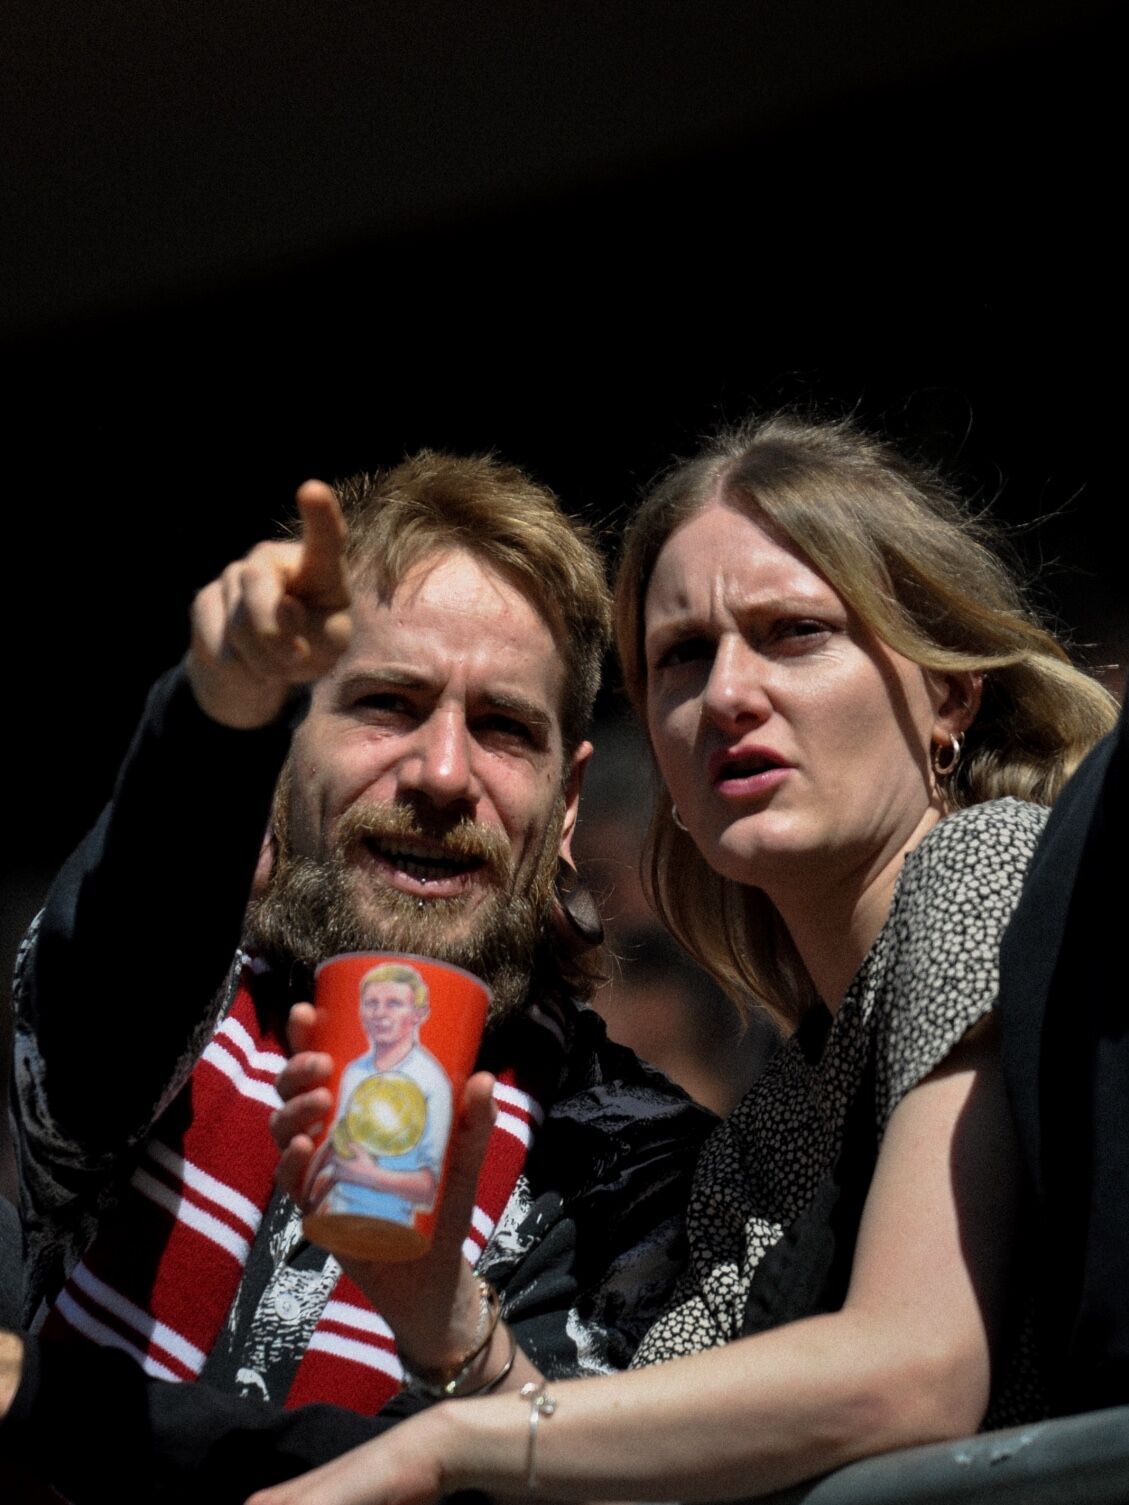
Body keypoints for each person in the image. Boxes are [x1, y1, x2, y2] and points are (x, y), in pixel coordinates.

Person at [250, 412, 1116, 1505]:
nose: (729, 695)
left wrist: (440, 1446)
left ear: (948, 690)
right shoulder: (772, 1124)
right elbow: (646, 1471)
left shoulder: (986, 865)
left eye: (794, 632)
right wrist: (447, 1319)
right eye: (683, 657)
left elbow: (915, 1371)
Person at [3, 454, 713, 1499]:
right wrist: (218, 708)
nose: (441, 773)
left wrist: (37, 1401)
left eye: (502, 727)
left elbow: (533, 1482)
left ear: (565, 805)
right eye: (387, 702)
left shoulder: (639, 1163)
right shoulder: (172, 1009)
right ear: (286, 756)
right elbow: (125, 948)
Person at [308, 962, 452, 1226]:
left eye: (394, 1003)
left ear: (419, 1013)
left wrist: (369, 1175)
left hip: (392, 1232)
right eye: (371, 1003)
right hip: (336, 1221)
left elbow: (430, 1188)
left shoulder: (433, 1082)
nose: (380, 1013)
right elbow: (337, 1147)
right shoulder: (353, 1072)